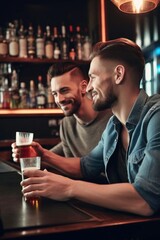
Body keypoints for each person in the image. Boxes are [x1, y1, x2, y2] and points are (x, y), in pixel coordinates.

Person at [12, 38, 160, 217]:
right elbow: (85, 166)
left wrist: (68, 188)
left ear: (118, 74)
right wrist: (44, 155)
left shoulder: (156, 117)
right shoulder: (114, 127)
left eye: (92, 78)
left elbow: (145, 200)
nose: (88, 88)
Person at [47, 61, 112, 157]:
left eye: (64, 90)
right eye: (55, 94)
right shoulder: (67, 124)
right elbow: (70, 168)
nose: (59, 99)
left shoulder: (112, 118)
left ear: (83, 87)